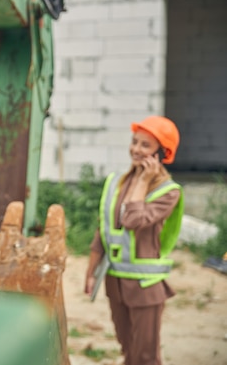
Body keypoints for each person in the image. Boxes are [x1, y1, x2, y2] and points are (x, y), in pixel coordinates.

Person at [84, 115, 184, 365]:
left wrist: (142, 181)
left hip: (145, 287)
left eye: (145, 145)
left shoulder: (168, 192)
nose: (136, 150)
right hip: (115, 282)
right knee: (128, 348)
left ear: (162, 153)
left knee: (145, 356)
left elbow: (133, 220)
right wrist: (91, 271)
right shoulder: (116, 182)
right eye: (134, 142)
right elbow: (103, 229)